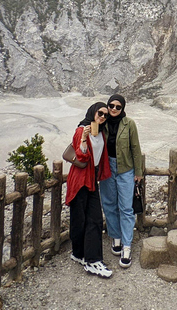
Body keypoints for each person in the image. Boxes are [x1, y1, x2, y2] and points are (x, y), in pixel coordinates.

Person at [65, 102, 113, 278]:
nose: (102, 117)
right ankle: (91, 261)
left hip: (91, 179)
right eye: (100, 113)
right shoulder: (81, 131)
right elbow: (82, 156)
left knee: (92, 219)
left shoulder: (100, 132)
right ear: (93, 112)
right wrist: (84, 139)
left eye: (105, 115)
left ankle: (81, 254)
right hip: (79, 180)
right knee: (83, 219)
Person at [99, 94, 143, 268]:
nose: (114, 109)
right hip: (107, 168)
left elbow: (135, 148)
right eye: (111, 105)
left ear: (123, 108)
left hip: (125, 169)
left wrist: (138, 172)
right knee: (109, 204)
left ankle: (126, 246)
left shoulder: (129, 124)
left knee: (126, 207)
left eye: (118, 106)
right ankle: (115, 237)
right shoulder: (103, 122)